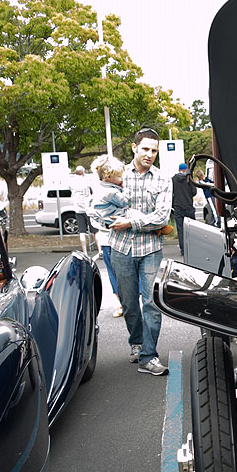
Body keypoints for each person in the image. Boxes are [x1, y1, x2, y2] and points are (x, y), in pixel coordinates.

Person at [108, 128, 173, 376]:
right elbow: (103, 209)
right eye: (145, 149)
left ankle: (149, 355)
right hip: (120, 247)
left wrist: (131, 222)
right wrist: (115, 219)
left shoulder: (162, 179)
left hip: (150, 249)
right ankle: (136, 342)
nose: (150, 154)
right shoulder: (117, 174)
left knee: (152, 302)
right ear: (134, 148)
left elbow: (161, 216)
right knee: (128, 303)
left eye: (154, 150)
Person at [87, 154, 133, 318]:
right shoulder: (109, 192)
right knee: (120, 272)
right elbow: (128, 200)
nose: (122, 178)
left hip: (108, 237)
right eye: (119, 176)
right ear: (108, 177)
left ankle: (123, 303)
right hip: (113, 237)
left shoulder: (100, 188)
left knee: (116, 273)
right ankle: (125, 303)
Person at [171, 162, 196, 256]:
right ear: (186, 169)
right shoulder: (189, 178)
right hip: (189, 206)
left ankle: (183, 250)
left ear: (179, 169)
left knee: (181, 229)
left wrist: (173, 204)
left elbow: (171, 193)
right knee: (191, 228)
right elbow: (194, 192)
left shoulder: (173, 179)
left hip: (178, 207)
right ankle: (192, 248)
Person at [70, 164, 93, 254]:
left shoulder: (73, 181)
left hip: (78, 209)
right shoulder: (87, 180)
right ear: (83, 172)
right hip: (88, 208)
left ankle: (85, 251)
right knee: (95, 231)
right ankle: (100, 250)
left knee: (82, 232)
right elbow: (92, 190)